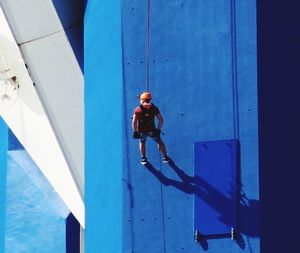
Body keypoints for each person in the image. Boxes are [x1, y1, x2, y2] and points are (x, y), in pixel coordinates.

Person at [132, 91, 170, 165]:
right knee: (159, 142)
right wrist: (158, 129)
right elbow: (161, 119)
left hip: (142, 131)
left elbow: (134, 122)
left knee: (142, 143)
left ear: (142, 100)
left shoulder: (137, 110)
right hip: (152, 130)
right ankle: (165, 157)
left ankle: (144, 159)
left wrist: (135, 132)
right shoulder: (154, 108)